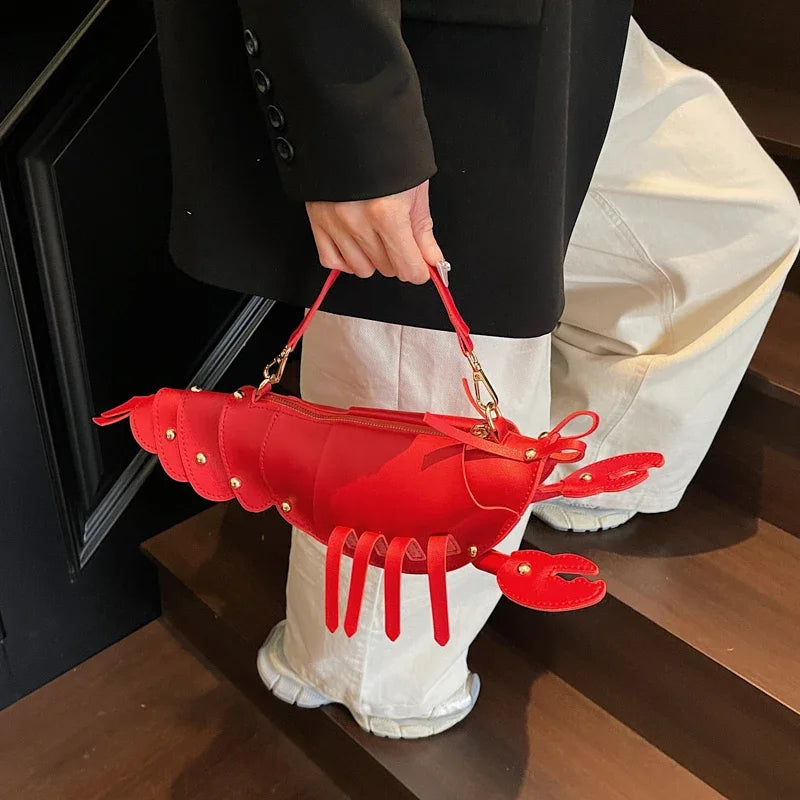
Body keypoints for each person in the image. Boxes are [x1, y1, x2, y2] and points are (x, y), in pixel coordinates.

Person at [153, 3, 800, 739]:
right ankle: (360, 677)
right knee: (405, 438)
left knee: (737, 221)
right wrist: (355, 132)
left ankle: (567, 479)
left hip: (573, 35)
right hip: (426, 55)